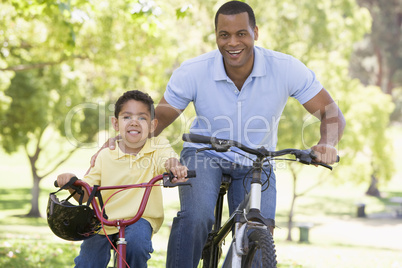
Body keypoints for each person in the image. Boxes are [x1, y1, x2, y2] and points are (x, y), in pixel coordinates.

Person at [91, 1, 345, 267]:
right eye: (224, 35)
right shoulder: (193, 71)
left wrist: (327, 143)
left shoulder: (286, 68)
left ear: (255, 32)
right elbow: (161, 118)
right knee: (197, 216)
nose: (232, 42)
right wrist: (121, 142)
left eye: (241, 34)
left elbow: (332, 113)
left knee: (258, 229)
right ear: (216, 36)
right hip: (204, 152)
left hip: (257, 159)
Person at [56, 90, 188, 268]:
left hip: (141, 218)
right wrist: (71, 183)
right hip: (104, 221)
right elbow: (86, 194)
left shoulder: (157, 146)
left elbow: (169, 159)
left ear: (152, 125)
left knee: (137, 246)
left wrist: (175, 167)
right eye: (127, 117)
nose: (134, 121)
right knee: (88, 261)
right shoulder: (105, 155)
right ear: (116, 123)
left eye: (142, 118)